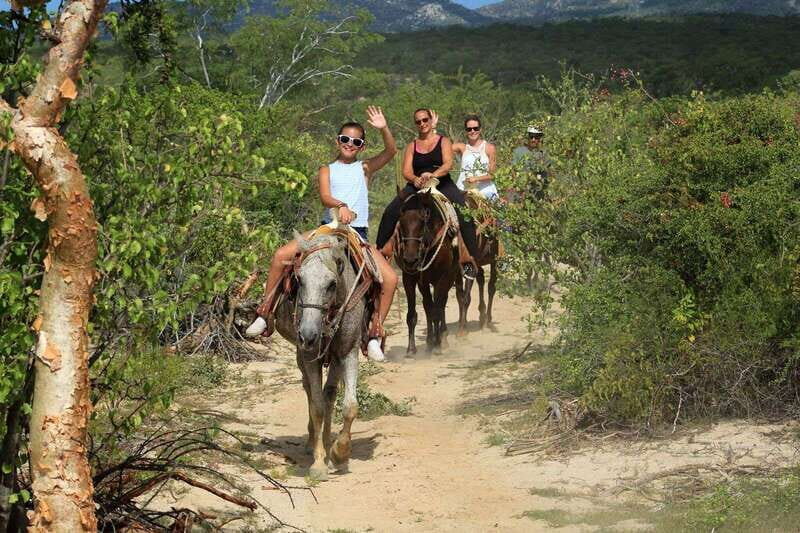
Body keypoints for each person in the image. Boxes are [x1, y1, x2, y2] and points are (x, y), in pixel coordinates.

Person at [246, 106, 399, 361]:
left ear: (362, 146)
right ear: (337, 140)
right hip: (328, 226)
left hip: (355, 232)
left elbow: (392, 151)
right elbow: (325, 196)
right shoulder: (326, 168)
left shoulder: (365, 168)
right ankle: (265, 312)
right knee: (280, 255)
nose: (349, 144)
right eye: (345, 139)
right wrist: (341, 206)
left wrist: (383, 128)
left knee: (390, 279)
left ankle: (374, 332)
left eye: (356, 141)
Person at [375, 108, 480, 279]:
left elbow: (448, 164)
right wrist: (415, 178)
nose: (422, 124)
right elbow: (406, 171)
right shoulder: (412, 146)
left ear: (431, 121)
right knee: (391, 210)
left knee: (464, 211)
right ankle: (380, 253)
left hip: (442, 182)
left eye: (425, 120)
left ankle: (470, 258)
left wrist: (433, 174)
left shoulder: (443, 141)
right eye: (418, 121)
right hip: (417, 184)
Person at [453, 114, 498, 201]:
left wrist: (476, 179)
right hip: (464, 191)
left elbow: (492, 175)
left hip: (485, 192)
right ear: (466, 131)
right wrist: (433, 128)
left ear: (480, 129)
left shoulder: (489, 148)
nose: (472, 131)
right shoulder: (462, 147)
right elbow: (442, 147)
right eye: (469, 129)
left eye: (475, 128)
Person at [511, 125, 552, 201]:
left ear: (540, 139)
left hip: (538, 194)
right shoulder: (518, 151)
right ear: (528, 137)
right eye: (531, 137)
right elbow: (513, 171)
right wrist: (520, 188)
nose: (533, 140)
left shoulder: (544, 154)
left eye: (536, 137)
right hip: (520, 193)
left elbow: (547, 175)